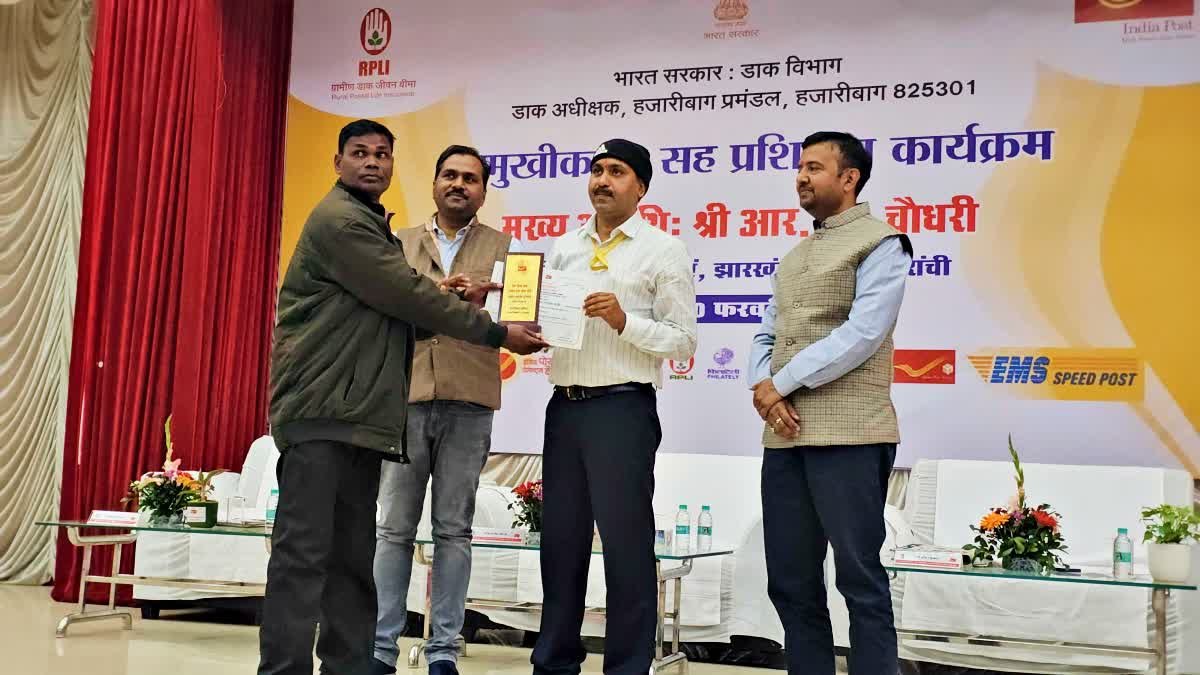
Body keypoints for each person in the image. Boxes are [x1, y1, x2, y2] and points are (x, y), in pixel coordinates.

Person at [260, 120, 546, 675]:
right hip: (322, 411)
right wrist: (493, 330)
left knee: (351, 561)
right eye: (360, 153)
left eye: (382, 154)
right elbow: (407, 296)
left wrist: (468, 309)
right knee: (304, 557)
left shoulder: (377, 224)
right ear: (338, 162)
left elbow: (395, 314)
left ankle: (352, 666)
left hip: (364, 417)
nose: (372, 162)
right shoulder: (343, 222)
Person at [747, 131, 912, 675]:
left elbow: (863, 333)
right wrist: (762, 386)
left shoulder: (883, 243)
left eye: (814, 167)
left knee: (860, 580)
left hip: (851, 436)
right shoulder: (795, 255)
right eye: (799, 167)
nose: (801, 176)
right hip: (785, 437)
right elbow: (766, 333)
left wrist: (782, 383)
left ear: (849, 178)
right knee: (790, 581)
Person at [532, 139, 698, 675]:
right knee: (560, 543)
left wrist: (624, 321)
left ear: (641, 187)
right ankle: (554, 662)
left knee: (626, 546)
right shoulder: (565, 247)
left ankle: (627, 667)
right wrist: (519, 320)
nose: (603, 180)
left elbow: (683, 340)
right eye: (597, 170)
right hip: (565, 408)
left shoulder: (662, 249)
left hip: (622, 410)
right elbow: (550, 322)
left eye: (617, 172)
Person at [370, 145, 521, 675]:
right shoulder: (397, 242)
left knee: (454, 530)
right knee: (393, 529)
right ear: (434, 184)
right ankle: (381, 649)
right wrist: (436, 293)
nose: (459, 184)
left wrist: (486, 301)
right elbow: (380, 310)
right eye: (450, 175)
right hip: (405, 397)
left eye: (470, 178)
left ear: (483, 191)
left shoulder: (505, 250)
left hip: (469, 399)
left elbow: (519, 319)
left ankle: (443, 652)